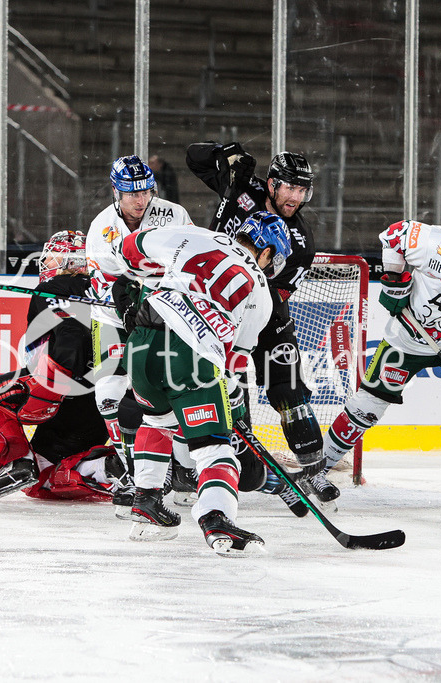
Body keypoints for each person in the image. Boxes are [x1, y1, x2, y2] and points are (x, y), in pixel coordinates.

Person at [315, 205, 441, 508]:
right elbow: (393, 236)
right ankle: (316, 468)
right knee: (367, 407)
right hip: (407, 339)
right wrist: (394, 279)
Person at [116, 216, 292, 555]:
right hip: (191, 356)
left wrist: (150, 279)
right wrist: (233, 401)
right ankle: (217, 518)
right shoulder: (262, 292)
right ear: (267, 252)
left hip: (140, 344)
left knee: (156, 421)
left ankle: (147, 502)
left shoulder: (198, 236)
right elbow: (235, 362)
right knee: (214, 447)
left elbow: (130, 248)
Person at [185, 142, 325, 478]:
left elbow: (276, 297)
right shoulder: (244, 186)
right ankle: (230, 466)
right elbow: (193, 157)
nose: (295, 197)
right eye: (290, 187)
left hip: (265, 315)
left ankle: (315, 471)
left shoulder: (300, 242)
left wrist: (244, 303)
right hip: (214, 310)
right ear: (273, 183)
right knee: (229, 394)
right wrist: (225, 153)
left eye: (302, 190)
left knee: (289, 389)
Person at [0, 230, 118, 502]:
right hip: (108, 398)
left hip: (70, 392)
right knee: (46, 470)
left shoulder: (54, 288)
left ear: (72, 262)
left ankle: (16, 457)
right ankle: (113, 466)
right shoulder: (109, 288)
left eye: (56, 256)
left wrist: (52, 386)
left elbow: (73, 339)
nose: (49, 262)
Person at [85, 155, 193, 513]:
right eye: (131, 192)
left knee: (166, 394)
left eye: (145, 190)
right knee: (108, 395)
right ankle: (134, 472)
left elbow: (191, 261)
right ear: (117, 191)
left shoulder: (173, 215)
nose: (140, 199)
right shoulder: (102, 228)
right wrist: (128, 300)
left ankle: (181, 470)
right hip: (114, 317)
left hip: (162, 317)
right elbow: (110, 283)